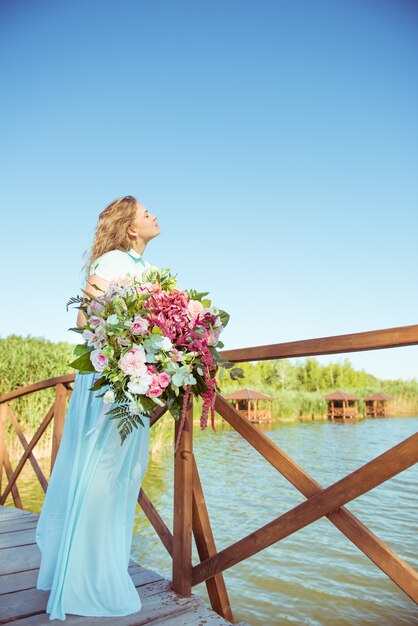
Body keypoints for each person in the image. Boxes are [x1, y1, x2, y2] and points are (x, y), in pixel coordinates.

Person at [35, 195, 161, 620]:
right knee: (102, 472)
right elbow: (88, 321)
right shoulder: (110, 262)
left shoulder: (150, 271)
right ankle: (84, 576)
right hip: (111, 376)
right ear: (130, 228)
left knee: (125, 475)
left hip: (136, 379)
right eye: (147, 213)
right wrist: (125, 344)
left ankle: (107, 564)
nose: (154, 216)